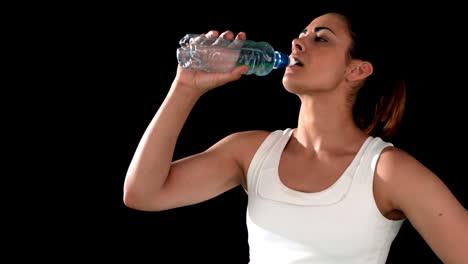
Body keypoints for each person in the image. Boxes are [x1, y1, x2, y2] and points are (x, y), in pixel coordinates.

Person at [123, 11, 467, 263]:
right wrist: (185, 88)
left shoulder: (385, 171)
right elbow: (143, 193)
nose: (297, 42)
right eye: (302, 33)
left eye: (321, 38)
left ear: (357, 69)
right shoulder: (251, 151)